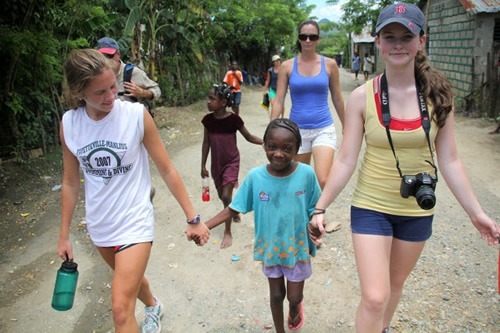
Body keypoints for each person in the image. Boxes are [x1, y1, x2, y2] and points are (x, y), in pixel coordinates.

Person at [308, 3, 500, 333]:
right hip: (371, 207)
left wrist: (475, 212)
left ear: (421, 41)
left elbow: (450, 160)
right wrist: (321, 207)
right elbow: (345, 159)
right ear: (378, 42)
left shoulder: (440, 95)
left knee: (394, 288)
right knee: (375, 295)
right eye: (390, 36)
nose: (398, 44)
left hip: (417, 209)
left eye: (406, 36)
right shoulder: (362, 97)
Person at [57, 49, 210, 333]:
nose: (110, 96)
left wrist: (193, 217)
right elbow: (69, 181)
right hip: (100, 224)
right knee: (131, 281)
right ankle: (153, 305)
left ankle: (148, 309)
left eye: (113, 86)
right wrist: (64, 234)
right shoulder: (70, 124)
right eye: (100, 92)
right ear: (79, 93)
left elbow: (166, 169)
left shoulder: (135, 115)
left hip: (134, 220)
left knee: (120, 309)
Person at [200, 119, 322, 332]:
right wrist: (204, 226)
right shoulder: (256, 177)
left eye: (287, 148)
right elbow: (233, 208)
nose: (278, 153)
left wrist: (317, 225)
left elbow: (316, 208)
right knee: (276, 295)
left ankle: (295, 308)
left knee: (294, 296)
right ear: (264, 145)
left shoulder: (306, 175)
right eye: (272, 147)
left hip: (297, 247)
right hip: (270, 248)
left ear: (297, 149)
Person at [272, 20, 345, 189]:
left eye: (312, 37)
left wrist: (346, 126)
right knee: (300, 181)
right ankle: (303, 214)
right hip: (297, 131)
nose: (308, 41)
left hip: (323, 128)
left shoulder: (330, 65)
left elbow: (338, 98)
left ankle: (318, 214)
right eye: (303, 36)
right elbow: (279, 99)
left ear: (318, 39)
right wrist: (272, 128)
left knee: (323, 180)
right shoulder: (287, 66)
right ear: (298, 39)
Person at [201, 82, 263, 248]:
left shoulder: (234, 120)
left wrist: (265, 142)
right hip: (216, 164)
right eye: (208, 98)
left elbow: (248, 136)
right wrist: (203, 165)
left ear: (223, 103)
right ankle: (232, 211)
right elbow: (206, 143)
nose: (208, 101)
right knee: (223, 196)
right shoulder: (208, 120)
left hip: (231, 162)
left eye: (212, 99)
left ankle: (227, 231)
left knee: (226, 196)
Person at [96, 37, 161, 118]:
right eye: (102, 56)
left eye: (109, 55)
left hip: (134, 121)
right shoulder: (95, 76)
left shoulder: (133, 72)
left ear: (118, 54)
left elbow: (156, 90)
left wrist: (143, 92)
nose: (106, 60)